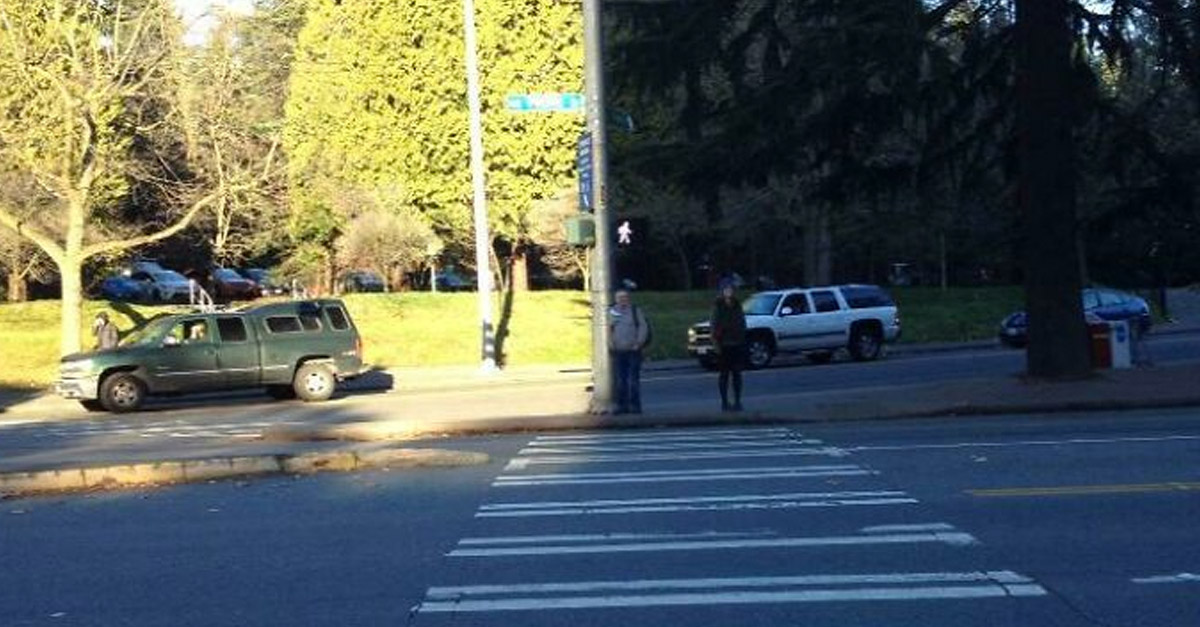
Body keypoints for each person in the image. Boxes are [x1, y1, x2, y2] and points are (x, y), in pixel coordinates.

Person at [608, 289, 649, 414]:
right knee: (620, 380)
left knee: (633, 380)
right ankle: (622, 406)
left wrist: (638, 343)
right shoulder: (612, 312)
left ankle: (635, 406)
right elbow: (608, 328)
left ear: (628, 298)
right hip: (618, 351)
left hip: (633, 350)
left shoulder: (635, 311)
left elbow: (643, 327)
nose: (622, 300)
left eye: (624, 297)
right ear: (616, 299)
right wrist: (610, 343)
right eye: (619, 297)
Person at [711, 279, 747, 411]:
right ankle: (725, 402)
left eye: (730, 289)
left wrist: (743, 339)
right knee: (724, 374)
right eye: (726, 289)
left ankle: (738, 401)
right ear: (722, 291)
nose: (729, 292)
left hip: (737, 343)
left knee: (737, 374)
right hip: (724, 344)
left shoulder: (737, 305)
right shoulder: (718, 306)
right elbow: (714, 325)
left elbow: (742, 322)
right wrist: (716, 343)